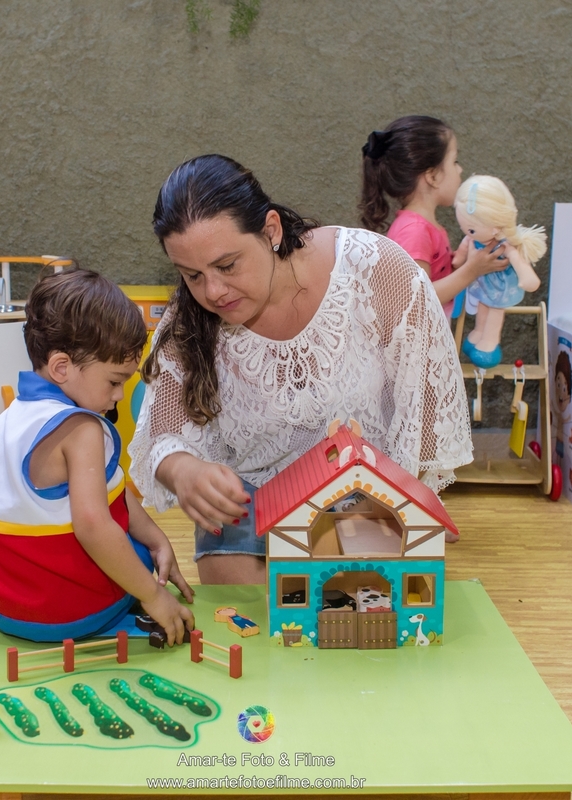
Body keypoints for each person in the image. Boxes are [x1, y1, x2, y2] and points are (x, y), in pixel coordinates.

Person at [130, 154, 473, 585]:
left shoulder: (374, 269)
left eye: (227, 265)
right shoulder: (191, 315)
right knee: (248, 614)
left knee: (351, 606)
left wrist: (405, 500)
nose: (212, 291)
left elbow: (427, 405)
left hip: (367, 495)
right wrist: (182, 470)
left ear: (270, 230)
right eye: (192, 275)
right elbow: (161, 430)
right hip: (250, 501)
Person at [0, 269, 195, 644]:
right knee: (127, 551)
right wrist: (153, 595)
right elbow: (93, 526)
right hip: (68, 614)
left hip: (5, 610)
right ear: (62, 367)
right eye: (114, 381)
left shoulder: (10, 419)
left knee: (135, 541)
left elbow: (109, 492)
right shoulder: (81, 429)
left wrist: (156, 538)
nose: (119, 395)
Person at [359, 115, 509, 320]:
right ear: (432, 176)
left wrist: (458, 265)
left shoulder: (424, 226)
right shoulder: (414, 230)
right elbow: (415, 299)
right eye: (454, 161)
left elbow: (429, 280)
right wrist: (471, 271)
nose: (460, 169)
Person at [455, 174, 547, 368]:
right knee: (482, 308)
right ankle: (479, 333)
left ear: (496, 228)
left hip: (500, 287)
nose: (467, 233)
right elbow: (459, 258)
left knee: (495, 312)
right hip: (481, 283)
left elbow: (521, 266)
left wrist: (527, 277)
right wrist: (456, 261)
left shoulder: (506, 247)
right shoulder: (471, 240)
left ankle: (489, 342)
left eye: (470, 229)